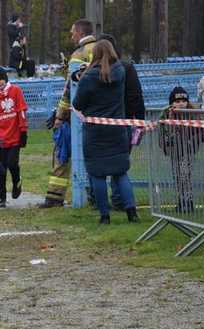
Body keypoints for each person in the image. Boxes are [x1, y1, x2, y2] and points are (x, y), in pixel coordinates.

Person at [72, 40, 138, 225]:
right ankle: (131, 212)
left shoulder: (89, 77)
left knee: (97, 174)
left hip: (95, 132)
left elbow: (78, 104)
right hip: (117, 130)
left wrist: (85, 73)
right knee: (121, 172)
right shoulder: (120, 72)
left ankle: (104, 216)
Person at [40, 19, 96, 208]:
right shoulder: (103, 50)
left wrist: (60, 115)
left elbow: (70, 89)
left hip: (77, 113)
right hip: (99, 112)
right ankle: (93, 196)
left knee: (62, 154)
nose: (71, 36)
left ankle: (54, 197)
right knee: (92, 156)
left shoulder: (79, 54)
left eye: (73, 32)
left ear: (80, 33)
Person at [97, 33, 145, 210]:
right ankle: (119, 200)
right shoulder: (126, 68)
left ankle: (101, 200)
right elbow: (136, 97)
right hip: (123, 121)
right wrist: (139, 121)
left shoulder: (95, 71)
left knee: (100, 166)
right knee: (120, 165)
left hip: (101, 123)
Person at [0, 67, 28, 208]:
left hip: (15, 136)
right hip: (0, 139)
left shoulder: (15, 91)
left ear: (5, 78)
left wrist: (23, 131)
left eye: (0, 79)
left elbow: (21, 111)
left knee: (12, 163)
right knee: (1, 169)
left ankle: (17, 182)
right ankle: (1, 197)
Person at [158, 87, 201, 214]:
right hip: (174, 151)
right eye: (177, 101)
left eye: (183, 100)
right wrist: (165, 145)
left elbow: (202, 133)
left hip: (187, 151)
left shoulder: (193, 113)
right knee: (177, 176)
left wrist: (191, 142)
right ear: (172, 102)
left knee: (184, 176)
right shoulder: (165, 113)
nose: (180, 103)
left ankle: (188, 202)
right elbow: (161, 132)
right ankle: (182, 201)